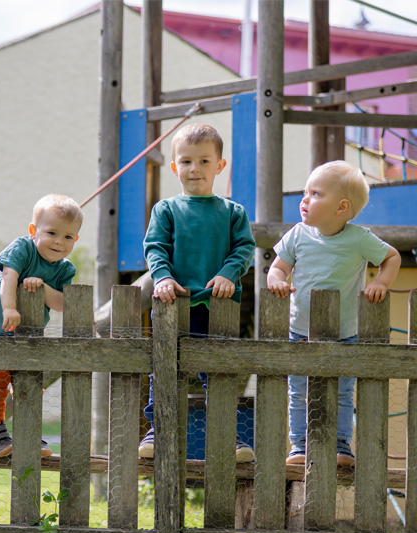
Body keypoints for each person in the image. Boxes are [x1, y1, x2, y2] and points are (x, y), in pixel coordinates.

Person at [267, 160, 400, 467]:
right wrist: (276, 280)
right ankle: (299, 446)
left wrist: (380, 281)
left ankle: (341, 445)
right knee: (299, 390)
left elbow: (391, 257)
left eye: (315, 193)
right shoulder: (297, 235)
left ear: (341, 207)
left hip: (347, 331)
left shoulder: (359, 238)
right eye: (305, 191)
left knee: (342, 391)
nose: (305, 199)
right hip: (301, 329)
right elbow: (279, 266)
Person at [139, 123, 256, 462]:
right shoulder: (166, 210)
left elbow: (244, 249)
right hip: (172, 302)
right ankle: (156, 431)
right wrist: (161, 277)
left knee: (218, 369)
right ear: (175, 167)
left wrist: (227, 274)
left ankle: (228, 434)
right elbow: (155, 247)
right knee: (164, 366)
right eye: (187, 162)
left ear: (220, 166)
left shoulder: (233, 212)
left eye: (205, 161)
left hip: (217, 306)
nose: (195, 169)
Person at [0, 194, 82, 458]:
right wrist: (10, 307)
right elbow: (9, 275)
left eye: (68, 237)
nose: (59, 242)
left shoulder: (65, 269)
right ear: (33, 231)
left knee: (28, 382)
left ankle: (29, 433)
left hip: (29, 336)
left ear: (75, 240)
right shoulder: (23, 248)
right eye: (52, 232)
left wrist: (43, 288)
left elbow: (63, 303)